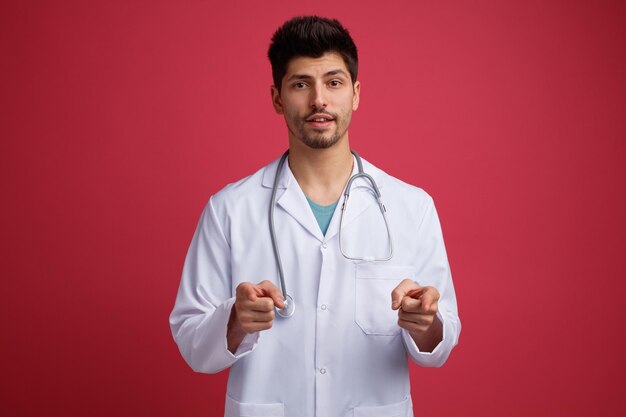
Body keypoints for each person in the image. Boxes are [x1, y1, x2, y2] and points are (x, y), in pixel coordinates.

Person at [170, 15, 461, 417]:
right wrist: (235, 320)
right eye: (301, 84)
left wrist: (425, 322)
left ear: (356, 94)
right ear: (277, 97)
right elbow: (192, 344)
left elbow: (439, 346)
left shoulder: (411, 206)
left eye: (334, 82)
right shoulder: (230, 209)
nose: (319, 100)